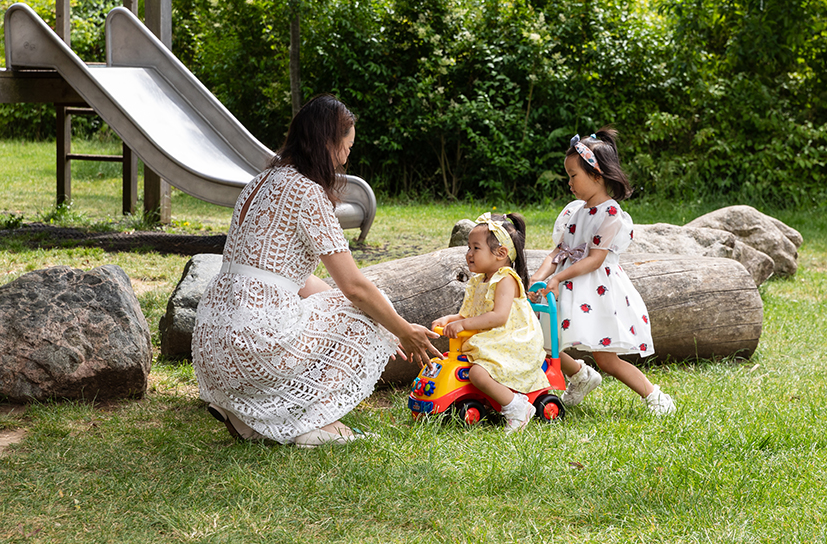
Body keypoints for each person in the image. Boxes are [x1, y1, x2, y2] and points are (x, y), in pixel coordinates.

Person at [193, 94, 440, 447]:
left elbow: (289, 277)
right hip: (252, 342)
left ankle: (243, 411)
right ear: (327, 142)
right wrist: (399, 328)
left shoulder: (259, 183)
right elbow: (354, 286)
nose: (345, 157)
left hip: (212, 344)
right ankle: (313, 425)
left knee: (365, 311)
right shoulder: (307, 192)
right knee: (372, 300)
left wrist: (378, 323)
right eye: (346, 147)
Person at [528, 128, 676, 417]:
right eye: (568, 176)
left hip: (594, 290)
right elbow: (558, 252)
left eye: (574, 175)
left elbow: (595, 259)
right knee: (541, 340)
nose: (569, 182)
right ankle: (581, 376)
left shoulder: (610, 214)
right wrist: (538, 277)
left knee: (606, 359)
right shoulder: (575, 211)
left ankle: (655, 396)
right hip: (566, 285)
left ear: (597, 175)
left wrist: (557, 277)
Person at [431, 212, 548, 433]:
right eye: (468, 248)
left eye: (476, 248)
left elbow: (498, 317)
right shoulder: (478, 280)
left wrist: (464, 325)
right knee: (464, 365)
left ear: (501, 253)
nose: (469, 254)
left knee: (477, 373)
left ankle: (516, 406)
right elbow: (468, 314)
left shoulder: (505, 279)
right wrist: (451, 319)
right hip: (491, 337)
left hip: (512, 339)